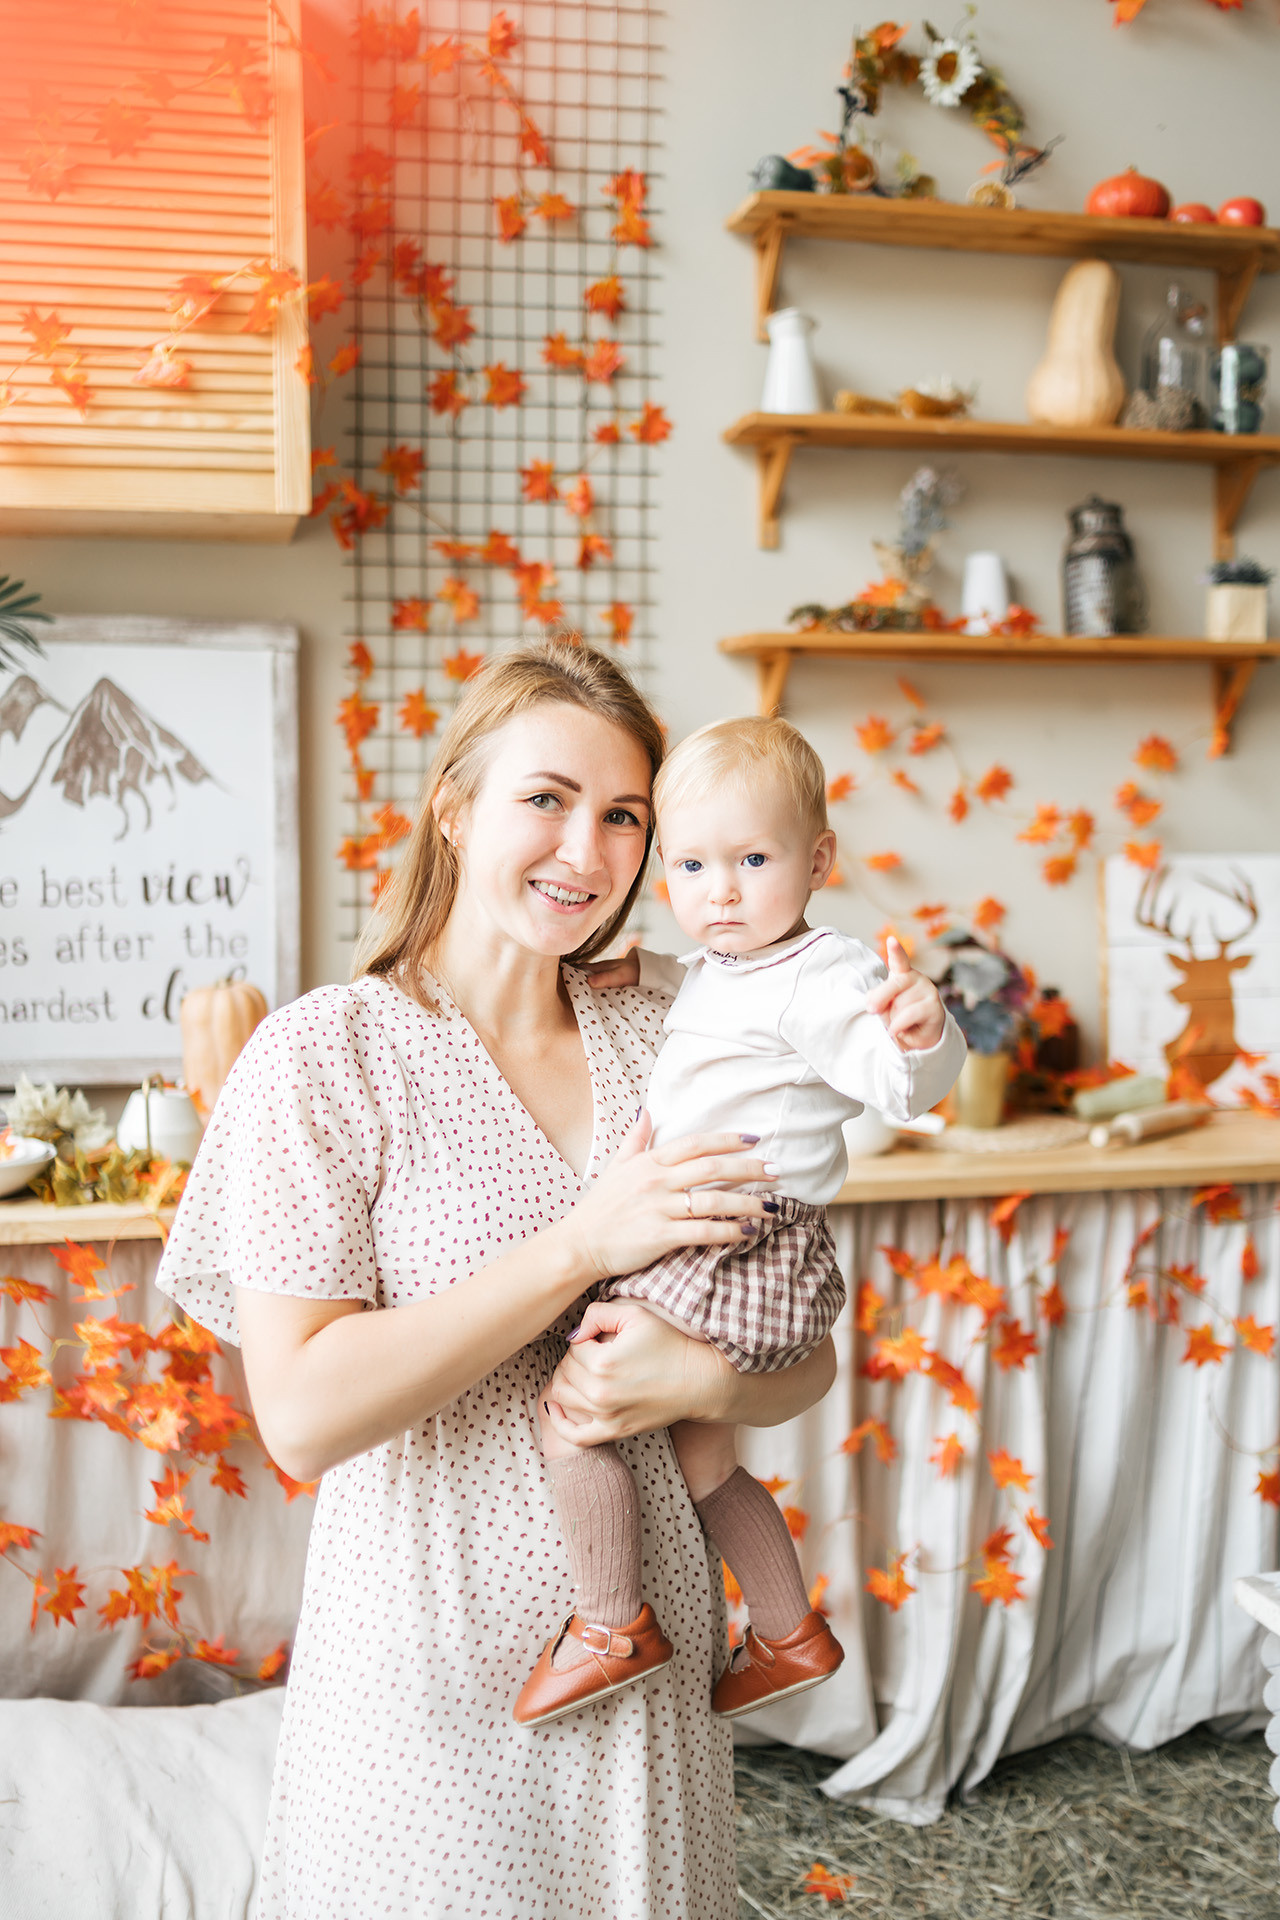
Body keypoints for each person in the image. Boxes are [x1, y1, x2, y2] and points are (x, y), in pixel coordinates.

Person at [154, 640, 838, 1920]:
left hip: (649, 1667)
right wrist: (582, 1246)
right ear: (455, 810)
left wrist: (697, 1379)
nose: (586, 850)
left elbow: (804, 1355)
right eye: (545, 799)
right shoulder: (325, 1056)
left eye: (623, 815)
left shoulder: (681, 1033)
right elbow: (302, 1416)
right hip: (431, 1672)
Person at [515, 715, 965, 1730]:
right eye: (690, 866)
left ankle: (608, 1623)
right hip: (729, 1235)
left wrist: (921, 1034)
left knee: (572, 1410)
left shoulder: (828, 975)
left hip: (738, 1240)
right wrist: (641, 974)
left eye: (752, 861)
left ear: (818, 861)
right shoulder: (732, 964)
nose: (719, 892)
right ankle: (786, 1631)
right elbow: (719, 1002)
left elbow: (899, 1086)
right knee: (704, 1461)